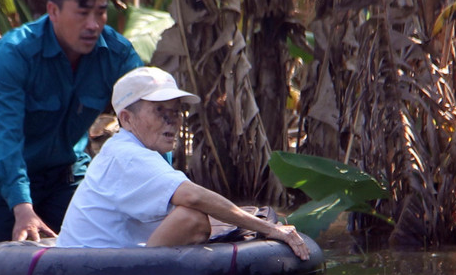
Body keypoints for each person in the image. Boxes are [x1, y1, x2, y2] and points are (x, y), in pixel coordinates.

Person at [0, 0, 143, 251]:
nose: (93, 25)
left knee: (87, 254)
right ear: (53, 11)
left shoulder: (118, 55)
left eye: (101, 12)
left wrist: (164, 192)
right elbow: (5, 139)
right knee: (1, 267)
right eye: (82, 13)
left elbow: (149, 122)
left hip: (64, 172)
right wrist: (22, 207)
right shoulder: (15, 52)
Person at [56, 67, 310, 259]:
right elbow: (192, 198)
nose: (173, 121)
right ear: (126, 118)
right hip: (88, 270)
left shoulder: (126, 149)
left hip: (97, 260)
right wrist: (269, 229)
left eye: (175, 111)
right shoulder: (128, 155)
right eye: (159, 111)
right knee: (192, 218)